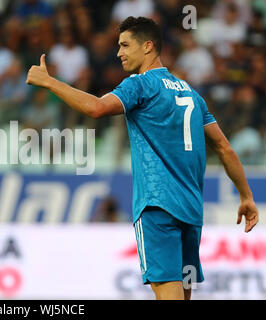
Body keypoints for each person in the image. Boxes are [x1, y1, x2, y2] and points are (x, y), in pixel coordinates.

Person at [26, 16, 259, 300]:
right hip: (190, 211)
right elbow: (224, 148)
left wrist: (49, 82)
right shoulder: (191, 94)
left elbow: (97, 108)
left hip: (157, 207)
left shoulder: (139, 85)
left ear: (147, 46)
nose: (118, 53)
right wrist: (246, 196)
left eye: (125, 45)